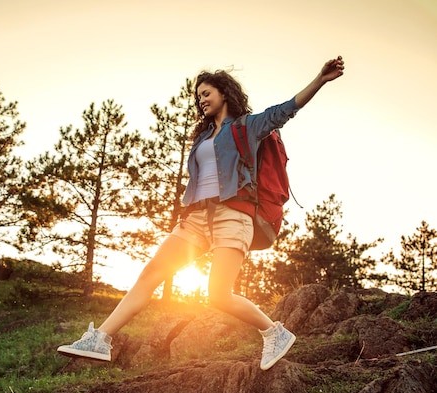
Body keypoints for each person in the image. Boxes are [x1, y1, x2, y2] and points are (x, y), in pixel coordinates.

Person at [57, 56, 345, 370]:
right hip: (196, 219)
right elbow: (198, 181)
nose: (201, 99)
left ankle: (274, 332)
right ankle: (101, 339)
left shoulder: (246, 127)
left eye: (207, 93)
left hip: (233, 216)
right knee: (150, 274)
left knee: (219, 295)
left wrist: (319, 79)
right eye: (198, 96)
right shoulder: (202, 138)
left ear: (225, 93)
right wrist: (186, 211)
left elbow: (286, 109)